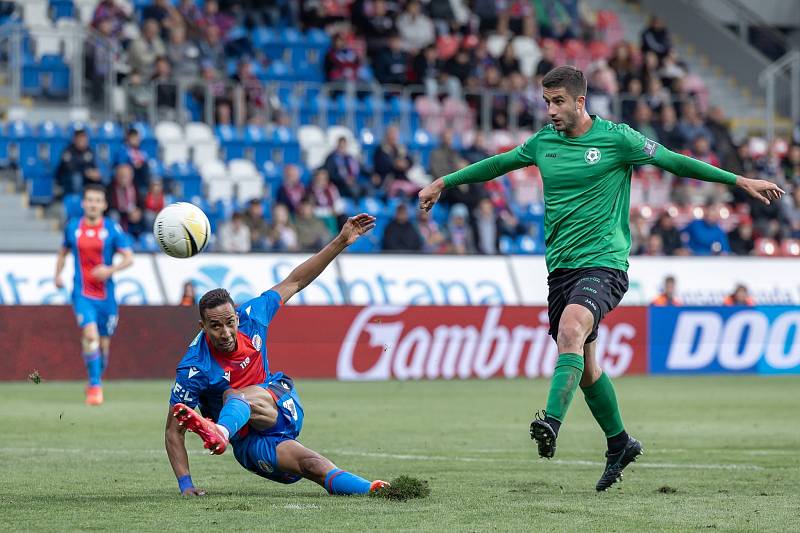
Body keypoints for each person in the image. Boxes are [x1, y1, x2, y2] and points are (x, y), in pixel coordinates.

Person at [417, 66, 784, 491]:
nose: (551, 110)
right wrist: (444, 181)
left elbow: (674, 162)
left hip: (605, 264)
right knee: (587, 369)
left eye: (558, 102)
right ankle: (620, 442)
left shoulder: (618, 138)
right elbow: (497, 164)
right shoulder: (543, 143)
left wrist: (739, 180)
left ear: (579, 101)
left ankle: (550, 421)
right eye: (546, 102)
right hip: (560, 269)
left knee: (572, 329)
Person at [166, 213, 391, 497]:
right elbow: (174, 430)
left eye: (229, 322)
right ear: (203, 326)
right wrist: (186, 486)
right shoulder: (194, 368)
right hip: (249, 442)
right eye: (215, 326)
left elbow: (295, 281)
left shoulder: (253, 316)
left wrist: (341, 241)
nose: (225, 332)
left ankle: (220, 432)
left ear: (237, 317)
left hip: (278, 404)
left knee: (232, 396)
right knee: (312, 465)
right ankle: (373, 490)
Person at [54, 184, 134, 405]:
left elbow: (129, 257)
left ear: (104, 205)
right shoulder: (72, 227)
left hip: (107, 297)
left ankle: (95, 376)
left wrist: (109, 270)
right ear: (83, 203)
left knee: (104, 345)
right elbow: (62, 253)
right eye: (90, 200)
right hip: (82, 293)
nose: (93, 204)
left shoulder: (111, 228)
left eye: (98, 200)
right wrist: (57, 275)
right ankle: (95, 386)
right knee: (90, 336)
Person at [55, 128, 102, 197]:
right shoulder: (68, 151)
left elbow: (93, 165)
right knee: (76, 178)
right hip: (67, 178)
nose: (83, 142)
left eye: (84, 139)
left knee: (101, 177)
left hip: (85, 177)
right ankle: (77, 200)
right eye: (80, 139)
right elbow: (69, 168)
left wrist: (95, 173)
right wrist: (85, 172)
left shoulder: (89, 151)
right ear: (75, 140)